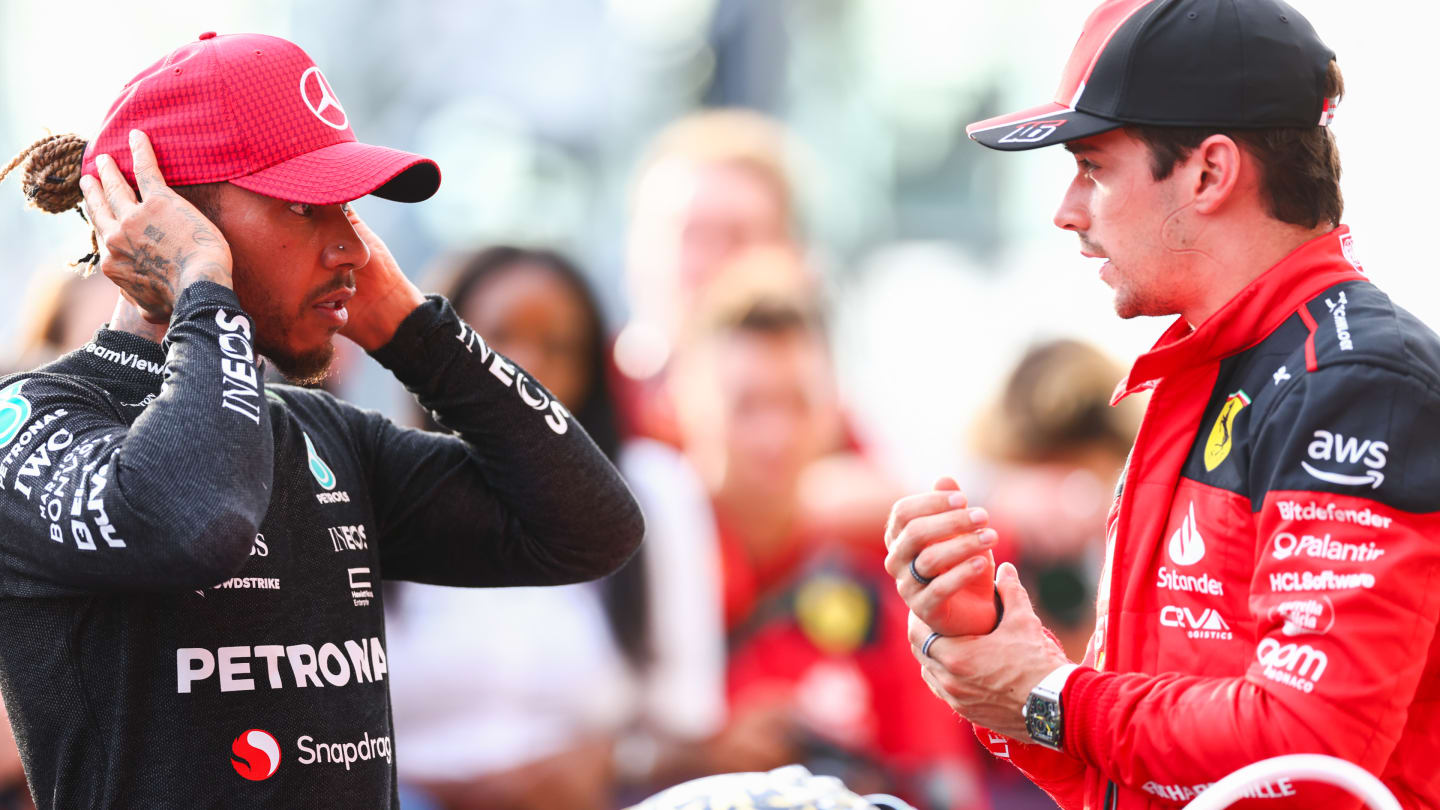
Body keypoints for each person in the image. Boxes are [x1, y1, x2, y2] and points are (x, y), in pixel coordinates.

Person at [0, 32, 643, 809]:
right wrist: (203, 285)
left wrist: (416, 331)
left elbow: (590, 528)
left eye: (347, 205)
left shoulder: (325, 435)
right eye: (306, 206)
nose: (349, 244)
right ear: (164, 214)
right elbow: (196, 519)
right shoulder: (36, 419)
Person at [884, 1, 1440, 808]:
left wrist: (1052, 695)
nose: (1066, 211)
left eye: (1094, 167)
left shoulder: (1352, 381)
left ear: (1210, 173)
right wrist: (1003, 669)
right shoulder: (1217, 370)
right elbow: (1149, 777)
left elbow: (1311, 750)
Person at [670, 269, 986, 810]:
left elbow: (941, 784)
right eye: (746, 405)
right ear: (685, 406)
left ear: (832, 413)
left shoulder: (874, 575)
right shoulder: (630, 560)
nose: (775, 435)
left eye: (796, 403)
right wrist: (696, 758)